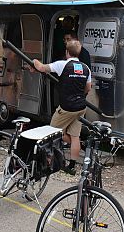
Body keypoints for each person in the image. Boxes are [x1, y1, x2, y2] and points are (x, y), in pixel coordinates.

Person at [32, 39, 92, 175]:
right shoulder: (85, 68)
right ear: (79, 52)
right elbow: (88, 88)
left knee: (51, 133)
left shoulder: (62, 65)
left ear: (67, 52)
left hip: (66, 107)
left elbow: (41, 68)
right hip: (81, 106)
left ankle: (50, 162)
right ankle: (71, 165)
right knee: (75, 136)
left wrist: (34, 60)